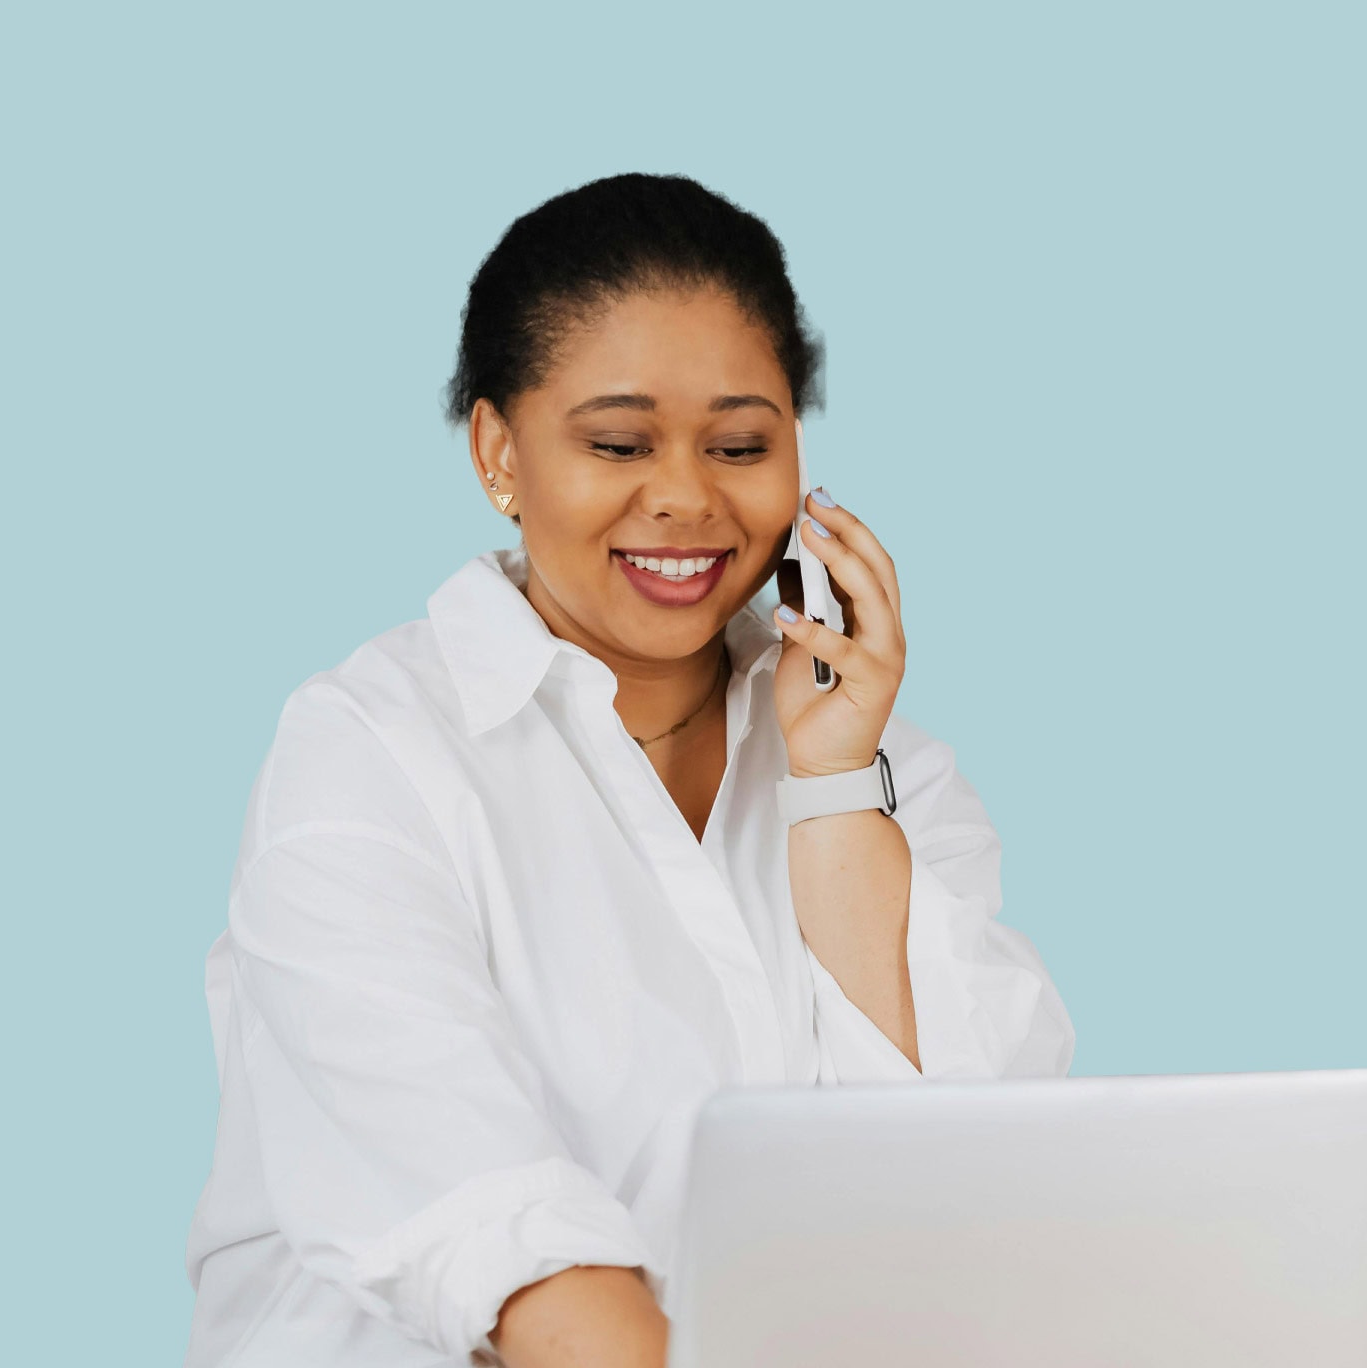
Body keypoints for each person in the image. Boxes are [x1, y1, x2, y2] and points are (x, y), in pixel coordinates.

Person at [182, 171, 1075, 1368]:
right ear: (499, 451)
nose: (687, 498)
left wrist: (832, 789)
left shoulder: (882, 766)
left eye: (740, 444)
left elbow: (964, 1190)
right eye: (617, 442)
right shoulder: (367, 754)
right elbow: (512, 1260)